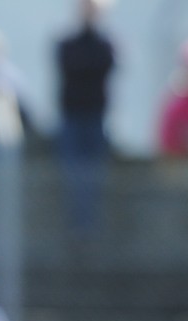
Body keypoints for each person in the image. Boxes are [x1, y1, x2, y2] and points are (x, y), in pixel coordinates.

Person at [54, 0, 116, 240]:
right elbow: (72, 66)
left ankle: (89, 227)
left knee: (94, 175)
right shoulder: (68, 42)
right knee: (72, 173)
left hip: (95, 117)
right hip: (72, 117)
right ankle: (76, 226)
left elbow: (103, 66)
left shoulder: (106, 43)